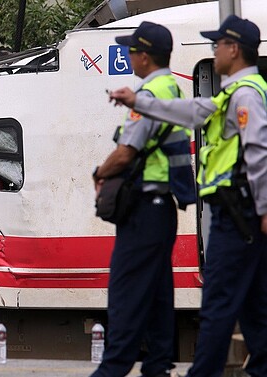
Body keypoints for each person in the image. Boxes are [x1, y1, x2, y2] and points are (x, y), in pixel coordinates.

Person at [109, 15, 267, 377]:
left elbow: (259, 152)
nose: (213, 52)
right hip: (238, 208)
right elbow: (192, 112)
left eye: (217, 45)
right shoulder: (236, 91)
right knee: (256, 304)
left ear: (234, 49)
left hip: (237, 209)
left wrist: (264, 207)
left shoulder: (245, 95)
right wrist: (138, 100)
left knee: (218, 302)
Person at [91, 22, 196, 377]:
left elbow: (125, 153)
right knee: (157, 291)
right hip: (163, 208)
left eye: (132, 50)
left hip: (145, 210)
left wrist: (99, 174)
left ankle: (112, 369)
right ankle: (157, 366)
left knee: (127, 289)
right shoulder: (172, 88)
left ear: (146, 56)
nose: (128, 55)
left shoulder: (150, 95)